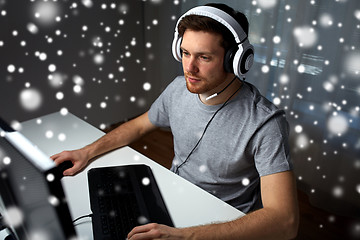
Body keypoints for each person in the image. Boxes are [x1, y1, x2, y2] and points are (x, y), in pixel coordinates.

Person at [51, 3, 299, 239]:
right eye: (185, 52)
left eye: (204, 57)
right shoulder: (179, 88)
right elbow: (139, 125)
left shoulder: (266, 123)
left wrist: (185, 236)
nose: (189, 68)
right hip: (171, 198)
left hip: (222, 223)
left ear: (235, 60)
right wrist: (86, 152)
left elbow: (285, 221)